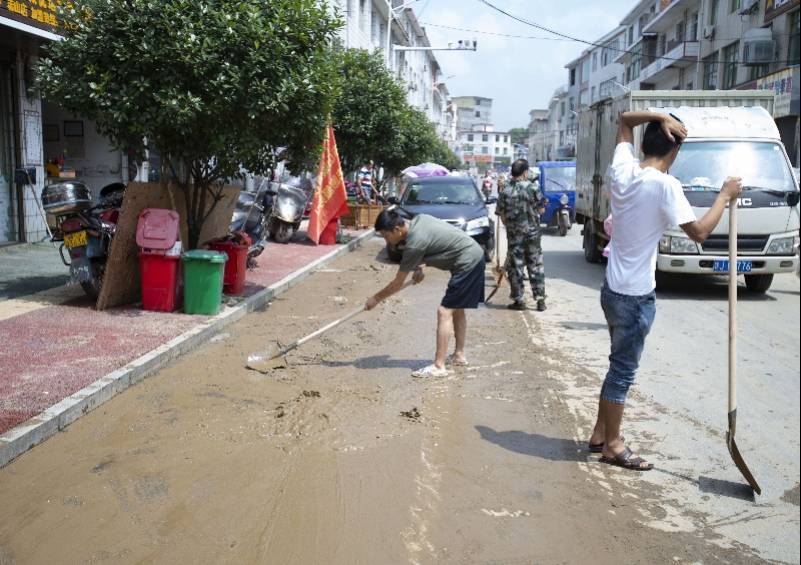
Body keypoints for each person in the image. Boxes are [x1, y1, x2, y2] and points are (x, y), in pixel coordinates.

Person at [588, 110, 742, 471]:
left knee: (616, 366)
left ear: (645, 143)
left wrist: (659, 116)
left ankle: (599, 434)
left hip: (612, 289)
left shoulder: (623, 169)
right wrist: (725, 195)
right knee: (622, 372)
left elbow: (624, 119)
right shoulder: (664, 185)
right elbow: (700, 233)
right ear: (674, 151)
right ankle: (612, 444)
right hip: (635, 296)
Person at [366, 209, 486, 377]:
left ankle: (438, 366)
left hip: (467, 262)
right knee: (457, 308)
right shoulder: (420, 219)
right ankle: (459, 355)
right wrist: (419, 266)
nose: (387, 241)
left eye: (386, 236)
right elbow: (436, 242)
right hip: (473, 255)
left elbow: (397, 283)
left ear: (397, 230)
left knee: (444, 311)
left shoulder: (413, 244)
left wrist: (375, 299)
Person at [496, 158, 548, 311]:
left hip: (514, 236)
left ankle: (519, 300)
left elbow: (502, 217)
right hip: (533, 236)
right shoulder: (533, 188)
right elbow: (541, 210)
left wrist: (514, 226)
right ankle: (540, 301)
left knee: (516, 267)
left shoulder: (504, 190)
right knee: (535, 265)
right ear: (525, 172)